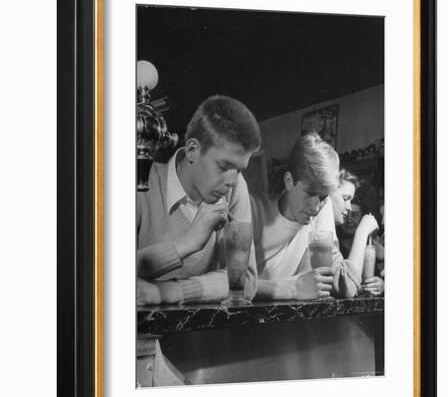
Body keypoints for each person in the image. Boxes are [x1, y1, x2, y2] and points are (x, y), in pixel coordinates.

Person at [136, 95, 261, 305]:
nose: (231, 181)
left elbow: (245, 281)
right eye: (223, 167)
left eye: (239, 170)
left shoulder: (236, 185)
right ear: (193, 149)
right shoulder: (140, 180)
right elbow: (105, 272)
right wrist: (188, 243)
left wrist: (168, 291)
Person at [251, 132, 361, 301]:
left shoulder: (322, 210)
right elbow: (231, 282)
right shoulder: (254, 209)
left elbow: (346, 284)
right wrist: (293, 287)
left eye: (323, 197)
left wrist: (361, 234)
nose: (316, 207)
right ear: (289, 181)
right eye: (310, 193)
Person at [330, 169, 384, 296]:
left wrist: (380, 284)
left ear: (362, 217)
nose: (349, 219)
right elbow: (344, 286)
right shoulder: (333, 242)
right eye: (345, 199)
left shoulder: (371, 247)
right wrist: (362, 232)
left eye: (354, 215)